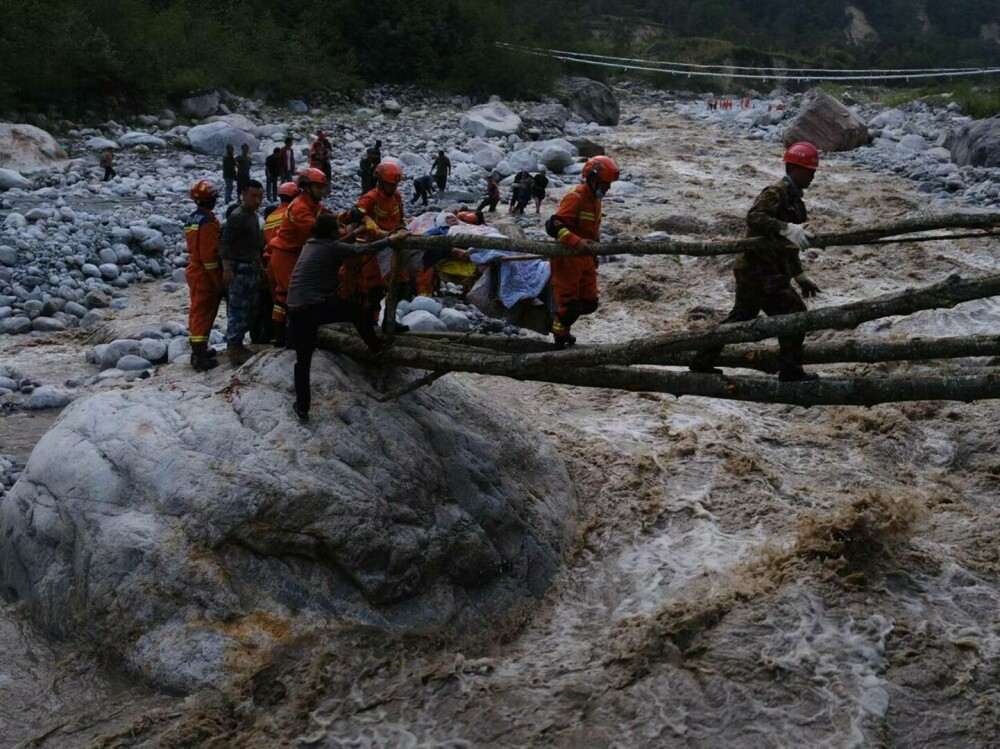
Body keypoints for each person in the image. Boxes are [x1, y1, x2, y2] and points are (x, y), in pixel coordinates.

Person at [688, 142, 822, 381]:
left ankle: (701, 359)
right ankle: (790, 370)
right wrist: (785, 228)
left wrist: (799, 275)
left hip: (763, 270)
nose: (812, 175)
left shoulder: (797, 204)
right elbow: (754, 217)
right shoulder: (776, 192)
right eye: (808, 170)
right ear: (793, 169)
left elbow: (790, 246)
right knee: (796, 315)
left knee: (740, 318)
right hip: (760, 270)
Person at [287, 215, 407, 422]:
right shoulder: (331, 248)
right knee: (354, 309)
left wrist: (356, 233)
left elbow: (341, 245)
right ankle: (375, 346)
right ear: (331, 232)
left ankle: (302, 407)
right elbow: (360, 250)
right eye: (338, 229)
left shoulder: (312, 245)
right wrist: (391, 240)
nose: (340, 231)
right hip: (313, 307)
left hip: (296, 308)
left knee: (303, 360)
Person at [546, 155, 620, 349]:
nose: (607, 189)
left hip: (585, 258)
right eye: (605, 184)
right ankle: (559, 338)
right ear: (593, 178)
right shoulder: (575, 196)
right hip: (568, 260)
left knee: (589, 303)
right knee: (570, 306)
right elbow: (553, 225)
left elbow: (591, 232)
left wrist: (593, 255)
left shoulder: (595, 201)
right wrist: (575, 241)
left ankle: (562, 326)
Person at [267, 168, 331, 346]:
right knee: (289, 295)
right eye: (318, 187)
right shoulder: (300, 207)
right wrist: (342, 233)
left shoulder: (312, 205)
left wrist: (348, 216)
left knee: (288, 295)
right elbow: (317, 229)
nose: (322, 191)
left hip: (293, 254)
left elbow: (327, 216)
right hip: (285, 255)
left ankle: (285, 335)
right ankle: (285, 337)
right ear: (307, 187)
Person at [344, 161, 406, 329]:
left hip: (392, 244)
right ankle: (368, 324)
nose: (393, 188)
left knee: (399, 284)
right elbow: (356, 212)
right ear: (380, 182)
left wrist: (402, 229)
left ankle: (388, 320)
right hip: (373, 247)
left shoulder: (396, 197)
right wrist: (368, 221)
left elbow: (401, 219)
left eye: (395, 185)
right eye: (390, 185)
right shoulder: (371, 197)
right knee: (373, 290)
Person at [220, 179, 264, 365]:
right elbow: (224, 242)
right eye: (253, 196)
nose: (257, 200)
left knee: (250, 307)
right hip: (238, 268)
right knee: (237, 308)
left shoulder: (253, 215)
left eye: (260, 196)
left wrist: (261, 267)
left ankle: (239, 343)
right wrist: (227, 269)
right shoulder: (238, 216)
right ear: (244, 194)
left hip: (251, 266)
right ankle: (234, 346)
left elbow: (255, 246)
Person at [252, 182, 299, 344]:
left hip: (270, 262)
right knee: (290, 296)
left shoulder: (271, 217)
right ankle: (288, 335)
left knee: (278, 298)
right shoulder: (292, 213)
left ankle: (277, 335)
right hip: (287, 259)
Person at [184, 179, 223, 371]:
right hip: (204, 273)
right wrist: (217, 279)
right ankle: (199, 357)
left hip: (194, 270)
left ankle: (199, 350)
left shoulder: (192, 219)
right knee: (203, 313)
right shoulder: (207, 222)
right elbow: (209, 255)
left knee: (197, 310)